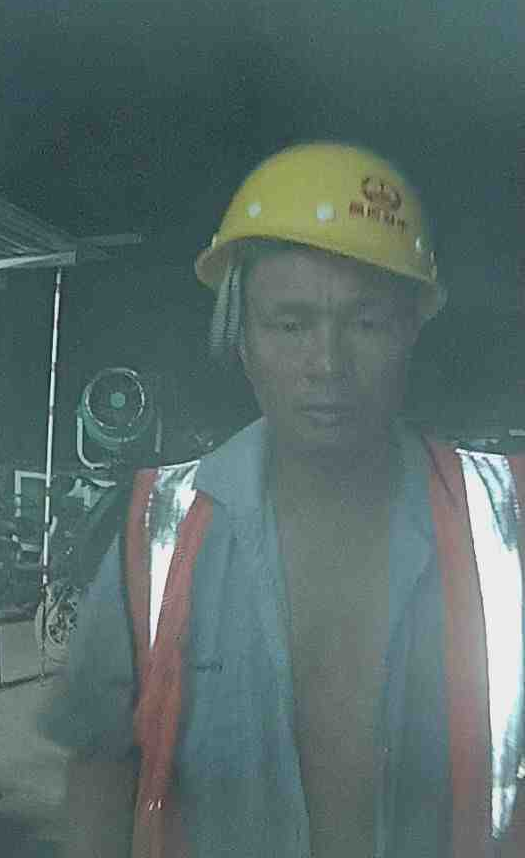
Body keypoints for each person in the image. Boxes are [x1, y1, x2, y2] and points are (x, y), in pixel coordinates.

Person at [43, 143, 525, 858]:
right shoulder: (156, 531)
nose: (326, 364)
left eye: (366, 322)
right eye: (290, 325)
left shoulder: (508, 523)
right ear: (239, 338)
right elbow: (100, 771)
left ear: (411, 329)